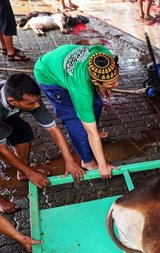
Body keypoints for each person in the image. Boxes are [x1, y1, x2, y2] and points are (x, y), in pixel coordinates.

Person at [0, 74, 84, 212]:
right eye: (31, 104)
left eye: (37, 100)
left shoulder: (30, 97)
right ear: (12, 101)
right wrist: (32, 174)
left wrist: (69, 160)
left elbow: (54, 130)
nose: (37, 105)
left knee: (23, 132)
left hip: (5, 115)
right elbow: (3, 150)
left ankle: (23, 172)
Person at [34, 45, 119, 179]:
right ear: (95, 81)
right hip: (48, 74)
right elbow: (89, 130)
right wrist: (103, 165)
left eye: (115, 79)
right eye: (111, 83)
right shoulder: (81, 89)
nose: (116, 85)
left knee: (97, 103)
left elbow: (107, 78)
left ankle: (92, 134)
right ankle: (87, 161)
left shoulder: (104, 56)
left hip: (64, 64)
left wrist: (106, 84)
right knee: (75, 121)